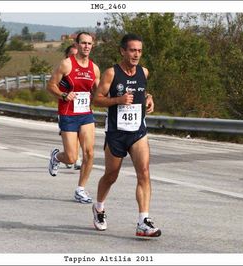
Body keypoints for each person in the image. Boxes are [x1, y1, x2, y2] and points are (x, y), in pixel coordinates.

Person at [91, 33, 161, 237]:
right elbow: (97, 99)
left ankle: (143, 221)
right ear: (123, 51)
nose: (136, 54)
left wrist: (149, 99)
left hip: (138, 132)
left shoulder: (144, 72)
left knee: (144, 172)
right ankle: (99, 207)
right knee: (111, 175)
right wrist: (118, 100)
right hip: (116, 132)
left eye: (139, 50)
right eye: (132, 50)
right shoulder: (111, 73)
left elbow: (144, 93)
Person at [47, 32, 100, 203]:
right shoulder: (66, 64)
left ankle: (80, 189)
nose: (86, 46)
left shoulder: (95, 68)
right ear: (76, 45)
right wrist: (63, 95)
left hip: (85, 114)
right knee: (71, 158)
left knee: (89, 153)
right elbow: (51, 85)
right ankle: (56, 157)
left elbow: (100, 92)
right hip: (68, 114)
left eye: (89, 44)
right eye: (83, 43)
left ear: (92, 45)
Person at [63, 44, 82, 170]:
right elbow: (53, 87)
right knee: (71, 136)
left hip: (82, 109)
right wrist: (64, 95)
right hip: (67, 110)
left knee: (80, 133)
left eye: (76, 54)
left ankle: (78, 157)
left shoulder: (84, 69)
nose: (74, 57)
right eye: (72, 54)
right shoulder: (64, 69)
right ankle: (69, 155)